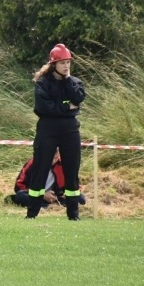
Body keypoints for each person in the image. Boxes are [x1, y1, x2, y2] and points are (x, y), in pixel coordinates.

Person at [26, 44, 86, 220]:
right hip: (47, 130)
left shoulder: (74, 83)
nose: (66, 66)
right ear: (54, 64)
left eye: (68, 62)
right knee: (40, 170)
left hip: (70, 130)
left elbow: (79, 98)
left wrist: (67, 81)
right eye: (62, 63)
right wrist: (67, 106)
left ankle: (73, 215)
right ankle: (32, 214)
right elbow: (43, 108)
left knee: (71, 172)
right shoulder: (43, 83)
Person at [7, 149, 86, 208]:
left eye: (55, 158)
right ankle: (47, 206)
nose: (52, 161)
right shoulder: (33, 163)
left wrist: (67, 194)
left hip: (56, 196)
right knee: (20, 196)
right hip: (35, 195)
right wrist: (42, 194)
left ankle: (48, 205)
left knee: (81, 199)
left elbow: (75, 186)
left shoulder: (64, 164)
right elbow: (19, 186)